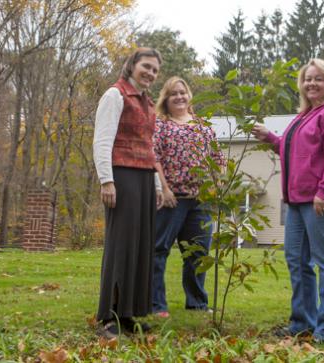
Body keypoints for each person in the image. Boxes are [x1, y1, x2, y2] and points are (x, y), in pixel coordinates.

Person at [252, 58, 324, 343]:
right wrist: (271, 138)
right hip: (298, 201)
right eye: (307, 79)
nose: (311, 83)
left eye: (318, 78)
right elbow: (297, 151)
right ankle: (303, 323)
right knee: (297, 261)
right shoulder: (305, 115)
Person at [93, 47, 163, 338]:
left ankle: (128, 313)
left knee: (140, 247)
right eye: (146, 66)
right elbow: (102, 139)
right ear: (132, 65)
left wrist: (157, 183)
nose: (150, 73)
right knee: (121, 246)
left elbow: (150, 146)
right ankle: (108, 317)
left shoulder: (147, 103)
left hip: (145, 178)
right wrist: (106, 180)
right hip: (121, 175)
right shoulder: (115, 95)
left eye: (155, 70)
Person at [152, 76, 225, 318]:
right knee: (159, 250)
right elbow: (155, 158)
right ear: (166, 98)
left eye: (183, 92)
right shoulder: (161, 125)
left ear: (189, 95)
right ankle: (156, 304)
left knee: (198, 254)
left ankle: (197, 303)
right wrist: (164, 188)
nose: (179, 97)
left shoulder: (203, 126)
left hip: (200, 201)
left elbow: (217, 159)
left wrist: (217, 184)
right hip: (172, 198)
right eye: (174, 94)